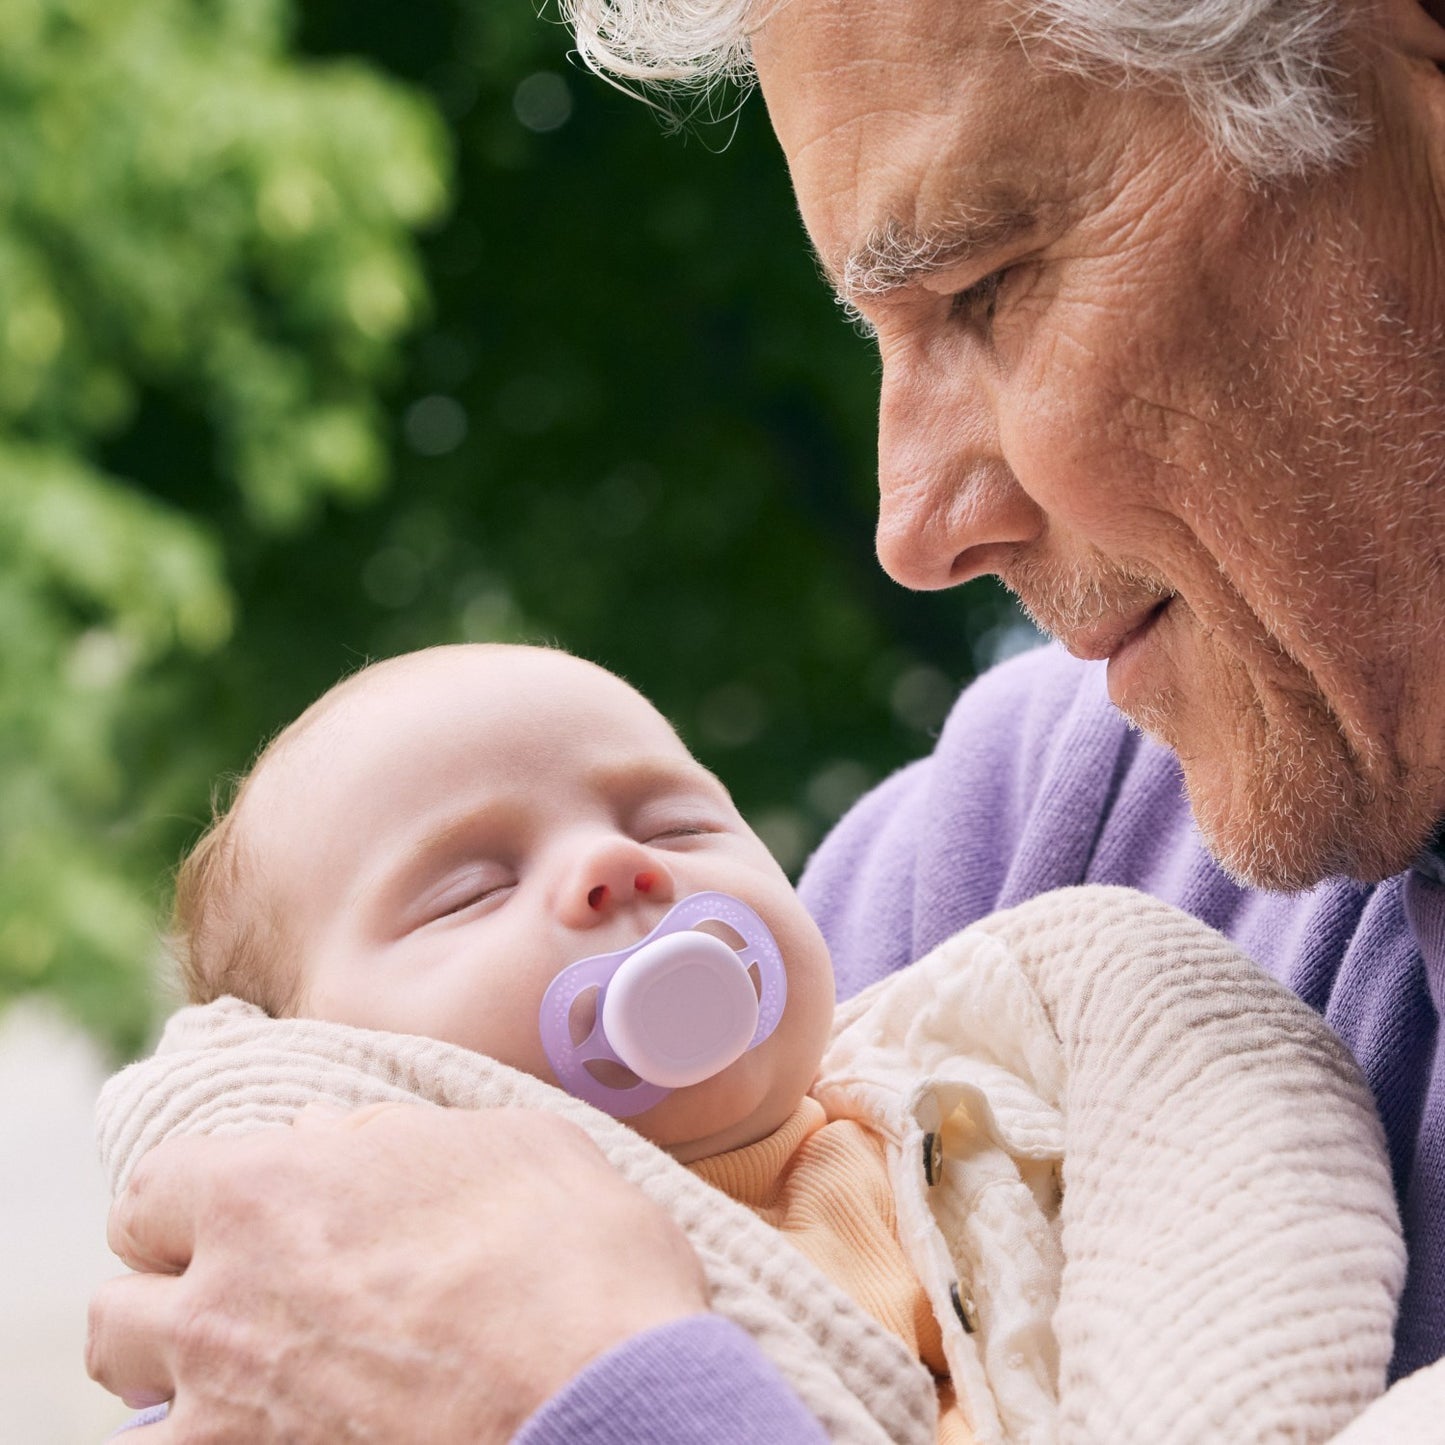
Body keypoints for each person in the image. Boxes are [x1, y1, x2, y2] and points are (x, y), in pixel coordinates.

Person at [86, 0, 1445, 1439]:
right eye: (874, 333)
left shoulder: (1107, 941)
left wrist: (608, 1401)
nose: (910, 528)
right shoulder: (1033, 840)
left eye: (982, 288)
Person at [96, 641, 1401, 1444]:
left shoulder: (985, 1107)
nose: (612, 866)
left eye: (671, 822)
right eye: (468, 888)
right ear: (330, 1058)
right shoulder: (317, 1333)